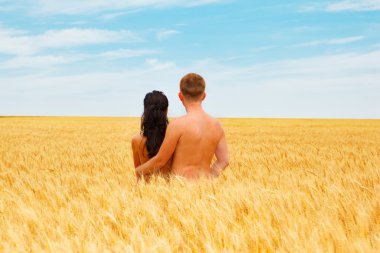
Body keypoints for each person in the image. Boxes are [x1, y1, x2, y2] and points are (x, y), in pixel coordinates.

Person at [136, 73, 229, 180]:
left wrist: (138, 171)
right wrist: (208, 177)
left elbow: (161, 160)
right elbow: (224, 160)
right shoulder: (217, 125)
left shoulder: (177, 125)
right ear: (204, 96)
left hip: (180, 188)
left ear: (180, 96)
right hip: (205, 188)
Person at [131, 90, 171, 181]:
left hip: (145, 191)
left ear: (145, 110)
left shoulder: (136, 140)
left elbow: (139, 175)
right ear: (166, 110)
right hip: (172, 191)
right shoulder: (172, 138)